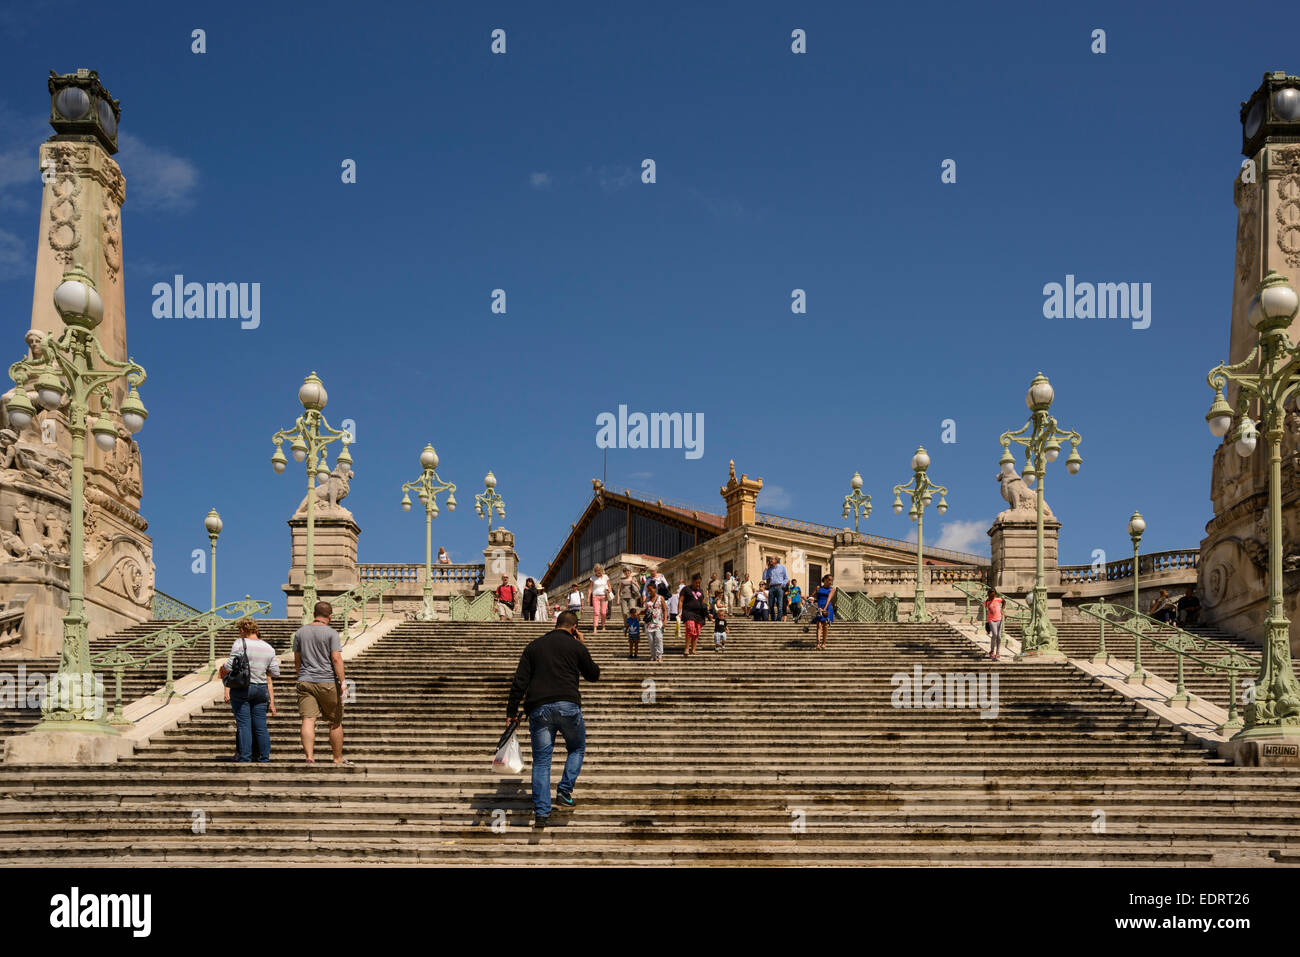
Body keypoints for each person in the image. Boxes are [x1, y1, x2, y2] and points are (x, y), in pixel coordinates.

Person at [506, 610, 600, 828]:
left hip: (539, 709)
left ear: (556, 624)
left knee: (541, 761)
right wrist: (582, 646)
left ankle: (541, 813)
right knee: (576, 748)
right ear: (574, 628)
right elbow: (593, 674)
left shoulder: (534, 646)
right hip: (568, 706)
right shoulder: (576, 646)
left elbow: (519, 681)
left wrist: (511, 713)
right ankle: (564, 791)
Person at [293, 601, 347, 765]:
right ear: (330, 616)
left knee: (308, 719)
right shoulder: (331, 633)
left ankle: (309, 757)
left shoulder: (300, 632)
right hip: (327, 681)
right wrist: (343, 682)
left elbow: (297, 660)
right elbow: (336, 659)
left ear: (314, 613)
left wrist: (301, 675)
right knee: (335, 722)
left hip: (305, 680)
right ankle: (337, 758)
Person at [219, 618, 279, 763]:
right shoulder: (268, 647)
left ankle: (245, 757)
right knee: (261, 726)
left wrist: (222, 670)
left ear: (242, 630)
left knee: (244, 724)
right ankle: (264, 757)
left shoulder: (240, 643)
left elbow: (230, 665)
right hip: (261, 689)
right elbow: (275, 672)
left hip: (242, 688)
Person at [679, 574, 708, 657]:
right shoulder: (686, 589)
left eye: (699, 583)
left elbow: (702, 602)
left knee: (696, 632)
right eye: (696, 582)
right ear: (692, 581)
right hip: (688, 612)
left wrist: (707, 613)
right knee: (690, 629)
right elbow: (681, 601)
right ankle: (687, 649)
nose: (698, 584)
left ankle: (693, 649)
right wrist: (679, 612)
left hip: (699, 614)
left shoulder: (701, 591)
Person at [812, 575, 835, 651]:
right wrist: (811, 600)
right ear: (824, 579)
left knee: (825, 625)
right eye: (829, 580)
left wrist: (824, 609)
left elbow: (829, 599)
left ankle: (824, 643)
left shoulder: (832, 589)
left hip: (827, 606)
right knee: (818, 625)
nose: (830, 582)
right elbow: (812, 596)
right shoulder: (818, 588)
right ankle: (818, 643)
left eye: (831, 580)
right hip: (819, 606)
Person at [644, 585, 667, 662]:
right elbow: (646, 611)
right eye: (648, 590)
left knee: (658, 638)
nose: (649, 592)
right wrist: (638, 613)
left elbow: (664, 610)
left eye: (650, 590)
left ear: (655, 589)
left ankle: (660, 656)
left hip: (658, 622)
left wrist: (665, 620)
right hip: (649, 623)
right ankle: (653, 656)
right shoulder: (647, 599)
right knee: (651, 640)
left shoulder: (661, 598)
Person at [764, 555, 789, 622]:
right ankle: (773, 618)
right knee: (771, 604)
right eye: (770, 559)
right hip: (771, 587)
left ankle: (778, 619)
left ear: (776, 560)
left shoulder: (782, 567)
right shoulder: (769, 569)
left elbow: (786, 578)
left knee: (780, 604)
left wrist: (782, 585)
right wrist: (766, 569)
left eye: (772, 559)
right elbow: (764, 578)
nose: (770, 560)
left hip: (779, 587)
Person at [587, 564, 611, 632]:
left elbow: (609, 586)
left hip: (604, 596)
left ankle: (603, 626)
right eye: (597, 571)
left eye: (600, 570)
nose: (599, 572)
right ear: (595, 571)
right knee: (596, 612)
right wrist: (588, 598)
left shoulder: (606, 577)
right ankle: (595, 628)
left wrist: (609, 590)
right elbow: (590, 588)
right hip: (595, 596)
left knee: (603, 612)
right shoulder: (592, 578)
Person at [984, 587, 1005, 660]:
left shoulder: (998, 599)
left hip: (999, 619)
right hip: (991, 620)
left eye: (993, 595)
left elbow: (1004, 601)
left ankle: (998, 652)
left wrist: (1002, 609)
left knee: (999, 636)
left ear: (995, 595)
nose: (992, 597)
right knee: (995, 634)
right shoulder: (986, 602)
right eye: (990, 596)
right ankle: (992, 651)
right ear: (988, 595)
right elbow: (987, 609)